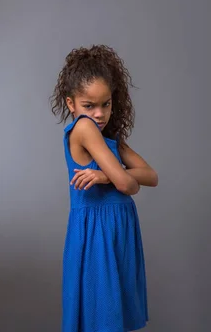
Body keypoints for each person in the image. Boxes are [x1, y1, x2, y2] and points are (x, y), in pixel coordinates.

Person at [50, 45, 158, 331]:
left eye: (106, 104)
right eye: (89, 105)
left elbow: (152, 175)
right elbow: (130, 184)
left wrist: (105, 176)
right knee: (102, 316)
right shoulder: (84, 128)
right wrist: (119, 178)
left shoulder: (108, 137)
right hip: (97, 231)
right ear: (71, 103)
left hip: (118, 228)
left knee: (115, 315)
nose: (99, 113)